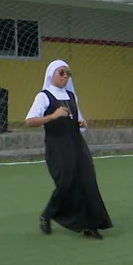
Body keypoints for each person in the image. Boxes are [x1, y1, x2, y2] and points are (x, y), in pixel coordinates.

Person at [26, 60, 113, 240]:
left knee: (87, 181)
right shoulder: (44, 96)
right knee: (66, 183)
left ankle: (90, 225)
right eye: (61, 72)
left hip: (77, 145)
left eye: (68, 74)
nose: (65, 76)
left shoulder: (72, 97)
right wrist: (53, 116)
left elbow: (77, 120)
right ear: (52, 75)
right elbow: (30, 120)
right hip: (57, 147)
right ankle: (47, 214)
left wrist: (82, 123)